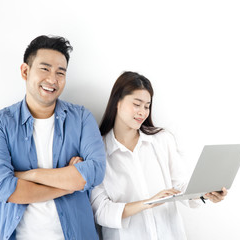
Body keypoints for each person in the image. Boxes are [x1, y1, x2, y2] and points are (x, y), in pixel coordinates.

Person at [0, 35, 106, 240]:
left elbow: (95, 173)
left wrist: (29, 175)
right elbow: (5, 189)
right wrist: (70, 183)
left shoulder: (82, 118)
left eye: (60, 72)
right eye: (45, 68)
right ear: (25, 71)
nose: (52, 79)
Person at [90, 71, 228, 240]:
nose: (142, 112)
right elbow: (101, 211)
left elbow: (180, 186)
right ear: (117, 102)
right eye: (137, 104)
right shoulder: (97, 150)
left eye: (147, 106)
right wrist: (148, 203)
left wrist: (204, 194)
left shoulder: (161, 140)